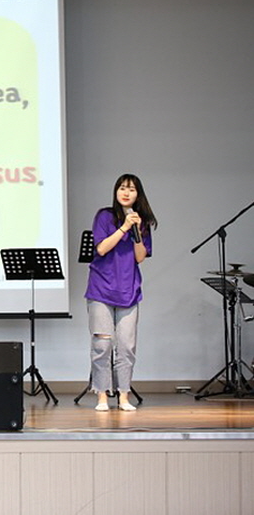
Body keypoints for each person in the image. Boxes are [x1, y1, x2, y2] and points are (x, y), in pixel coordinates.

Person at [84, 174, 157, 412]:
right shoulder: (104, 216)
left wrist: (136, 230)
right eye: (122, 188)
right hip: (101, 288)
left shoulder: (142, 222)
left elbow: (140, 257)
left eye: (132, 189)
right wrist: (124, 227)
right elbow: (102, 248)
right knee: (102, 345)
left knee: (126, 346)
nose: (126, 193)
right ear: (116, 191)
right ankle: (102, 396)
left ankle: (124, 396)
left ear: (138, 195)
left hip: (129, 290)